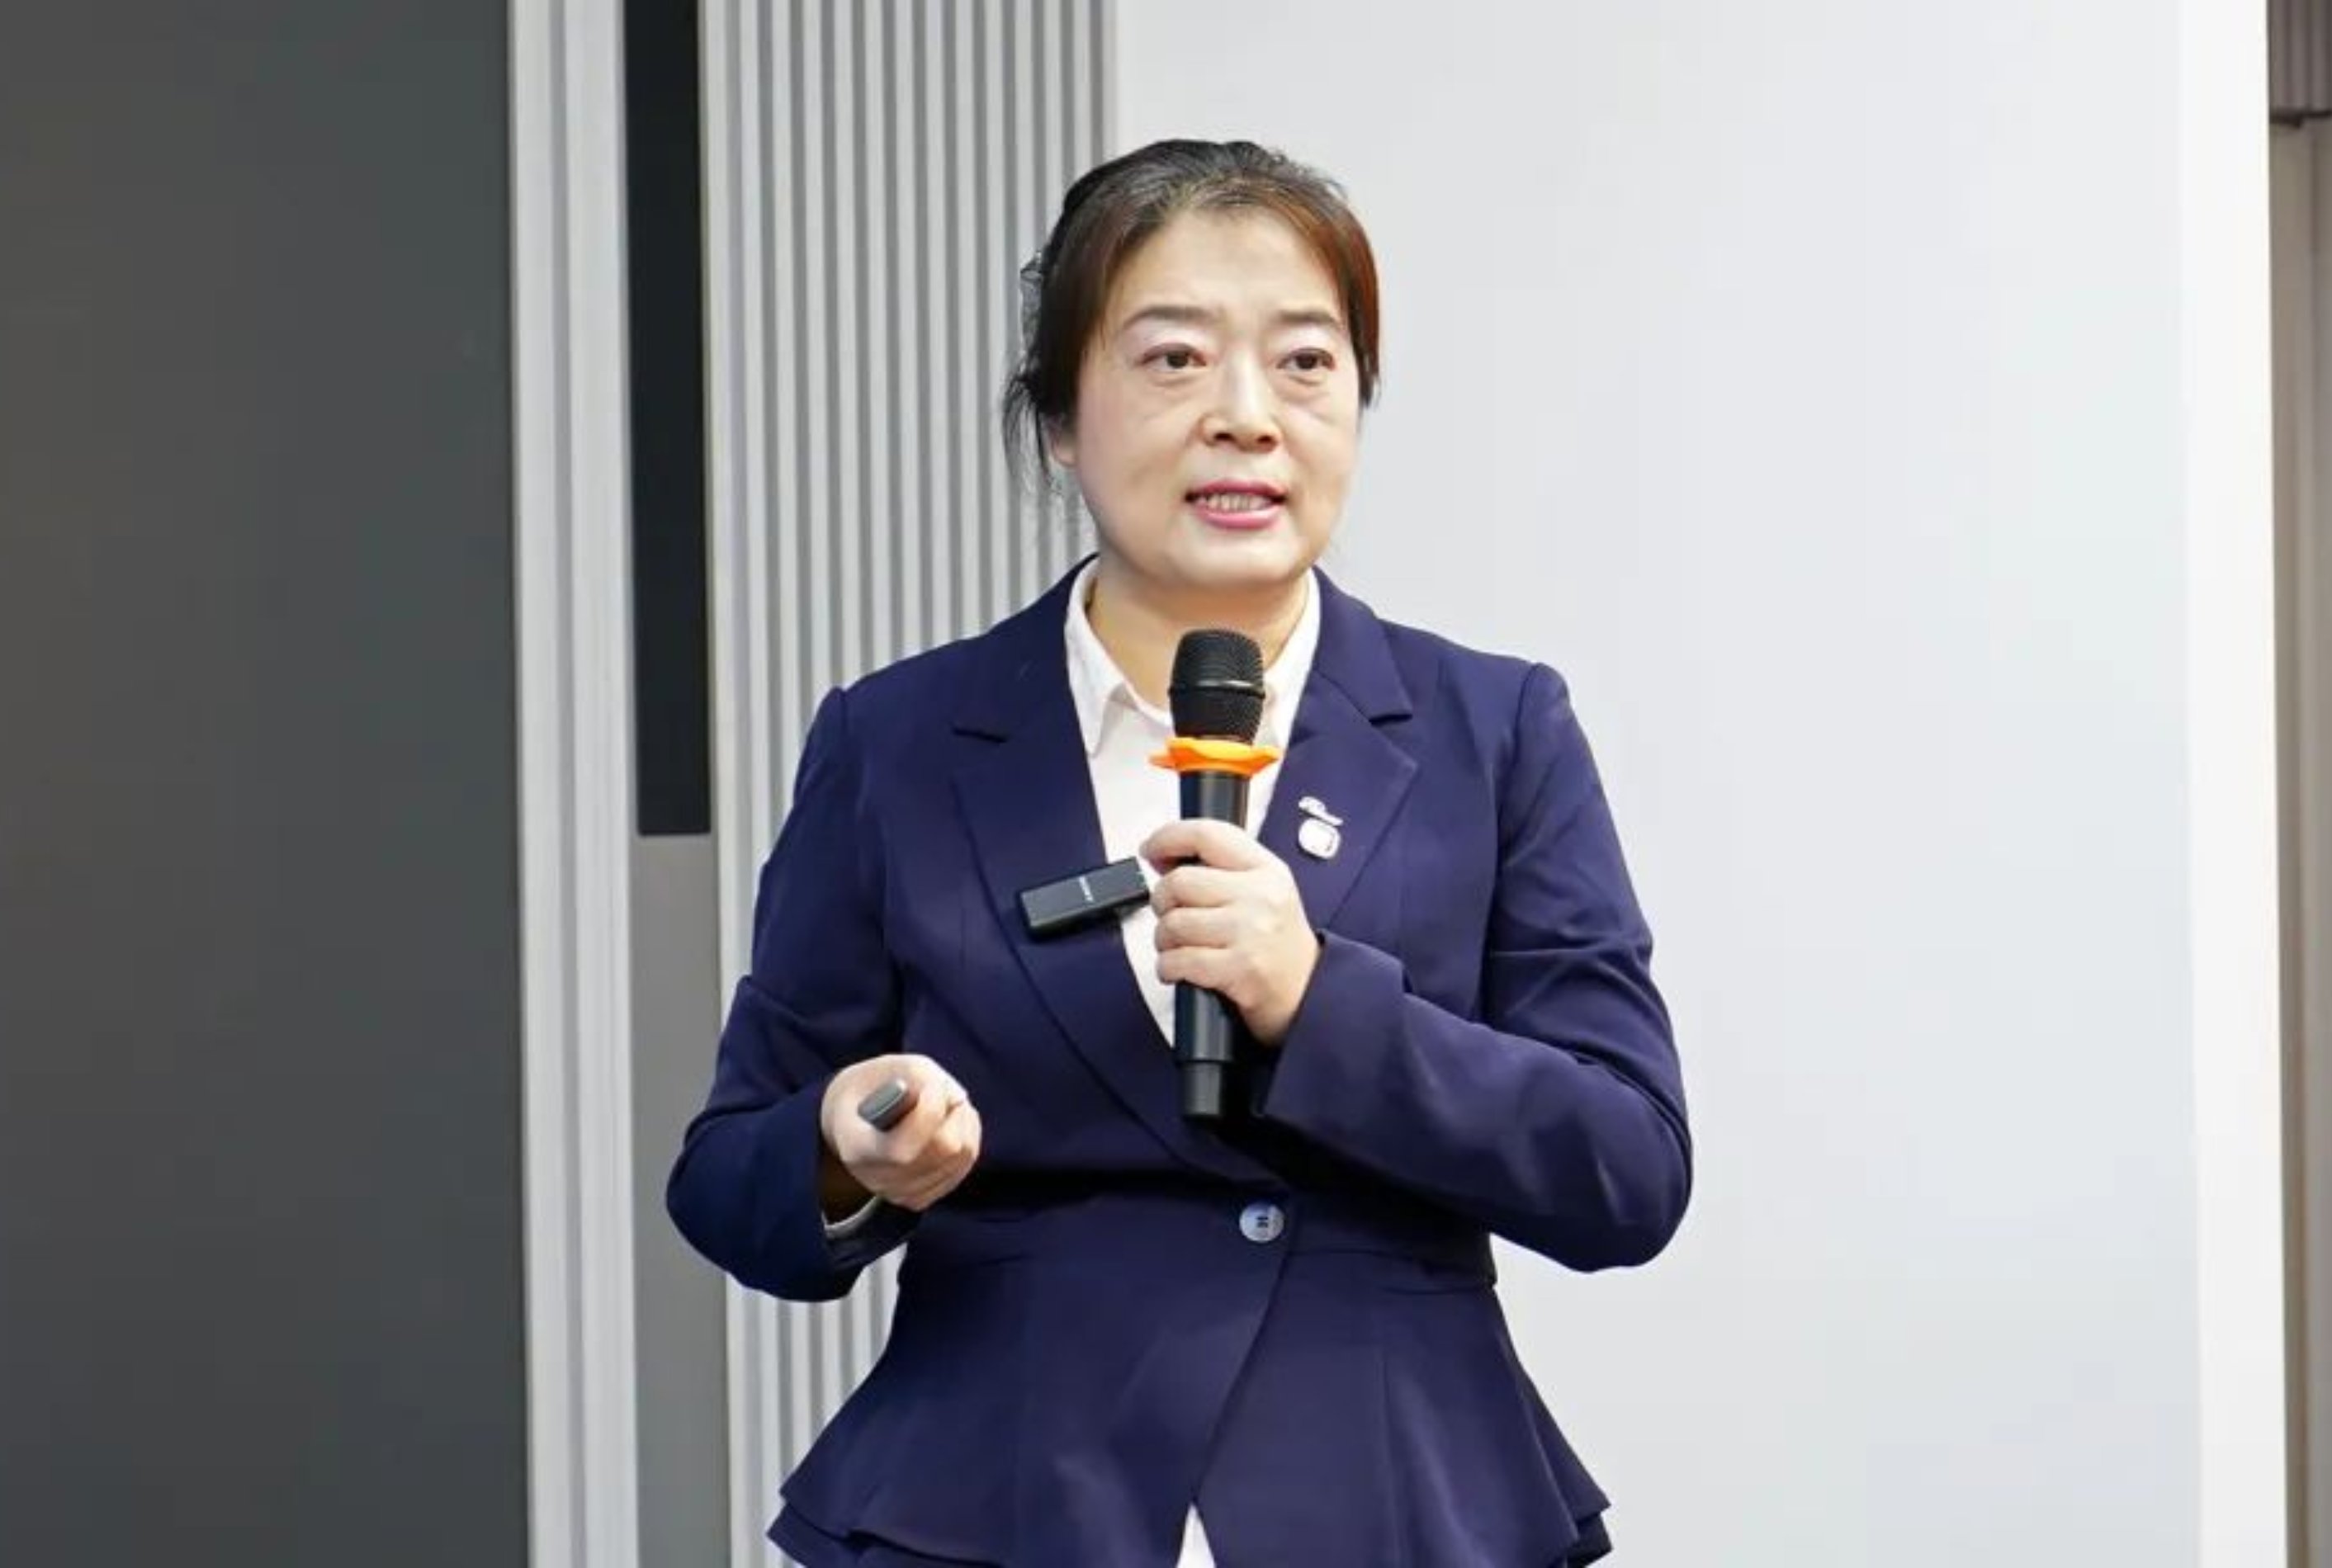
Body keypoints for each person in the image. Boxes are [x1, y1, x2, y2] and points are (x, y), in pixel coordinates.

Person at [668, 138, 1692, 1568]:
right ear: (1058, 419)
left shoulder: (1495, 727)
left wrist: (1320, 1003)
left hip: (1397, 1500)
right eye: (1173, 360)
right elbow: (727, 1177)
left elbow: (1626, 1168)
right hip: (1002, 1508)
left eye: (1306, 363)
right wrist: (846, 1149)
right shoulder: (898, 742)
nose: (1246, 418)